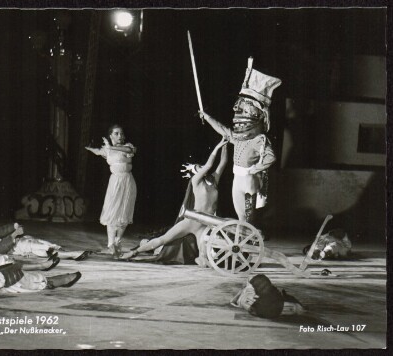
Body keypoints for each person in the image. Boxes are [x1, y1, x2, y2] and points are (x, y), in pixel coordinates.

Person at [199, 57, 281, 227]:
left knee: (249, 218)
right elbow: (223, 130)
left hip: (249, 179)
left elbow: (270, 157)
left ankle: (250, 240)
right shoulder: (237, 138)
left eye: (246, 107)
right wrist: (207, 117)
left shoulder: (259, 139)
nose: (240, 110)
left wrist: (254, 169)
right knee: (241, 217)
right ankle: (243, 242)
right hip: (238, 178)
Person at [120, 138, 228, 266]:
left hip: (204, 226)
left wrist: (226, 143)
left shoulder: (214, 180)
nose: (202, 168)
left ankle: (201, 258)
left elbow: (223, 162)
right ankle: (135, 252)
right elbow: (209, 165)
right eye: (199, 167)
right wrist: (218, 146)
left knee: (203, 259)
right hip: (191, 222)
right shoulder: (196, 181)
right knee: (162, 240)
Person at [85, 124, 137, 258]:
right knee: (112, 211)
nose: (120, 136)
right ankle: (110, 244)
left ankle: (118, 241)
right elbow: (97, 151)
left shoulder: (128, 146)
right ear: (110, 135)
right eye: (116, 133)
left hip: (127, 181)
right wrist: (89, 146)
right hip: (115, 182)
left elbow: (128, 149)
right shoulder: (108, 150)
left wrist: (110, 146)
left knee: (124, 212)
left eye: (121, 133)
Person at [0, 222, 91, 261]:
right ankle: (72, 255)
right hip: (20, 245)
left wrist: (16, 230)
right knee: (39, 248)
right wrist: (15, 233)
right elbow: (1, 248)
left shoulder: (0, 234)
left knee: (42, 245)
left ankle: (69, 254)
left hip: (24, 241)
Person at [230, 274, 307, 319]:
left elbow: (234, 302)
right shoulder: (268, 293)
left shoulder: (246, 298)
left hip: (261, 308)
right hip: (272, 307)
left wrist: (241, 291)